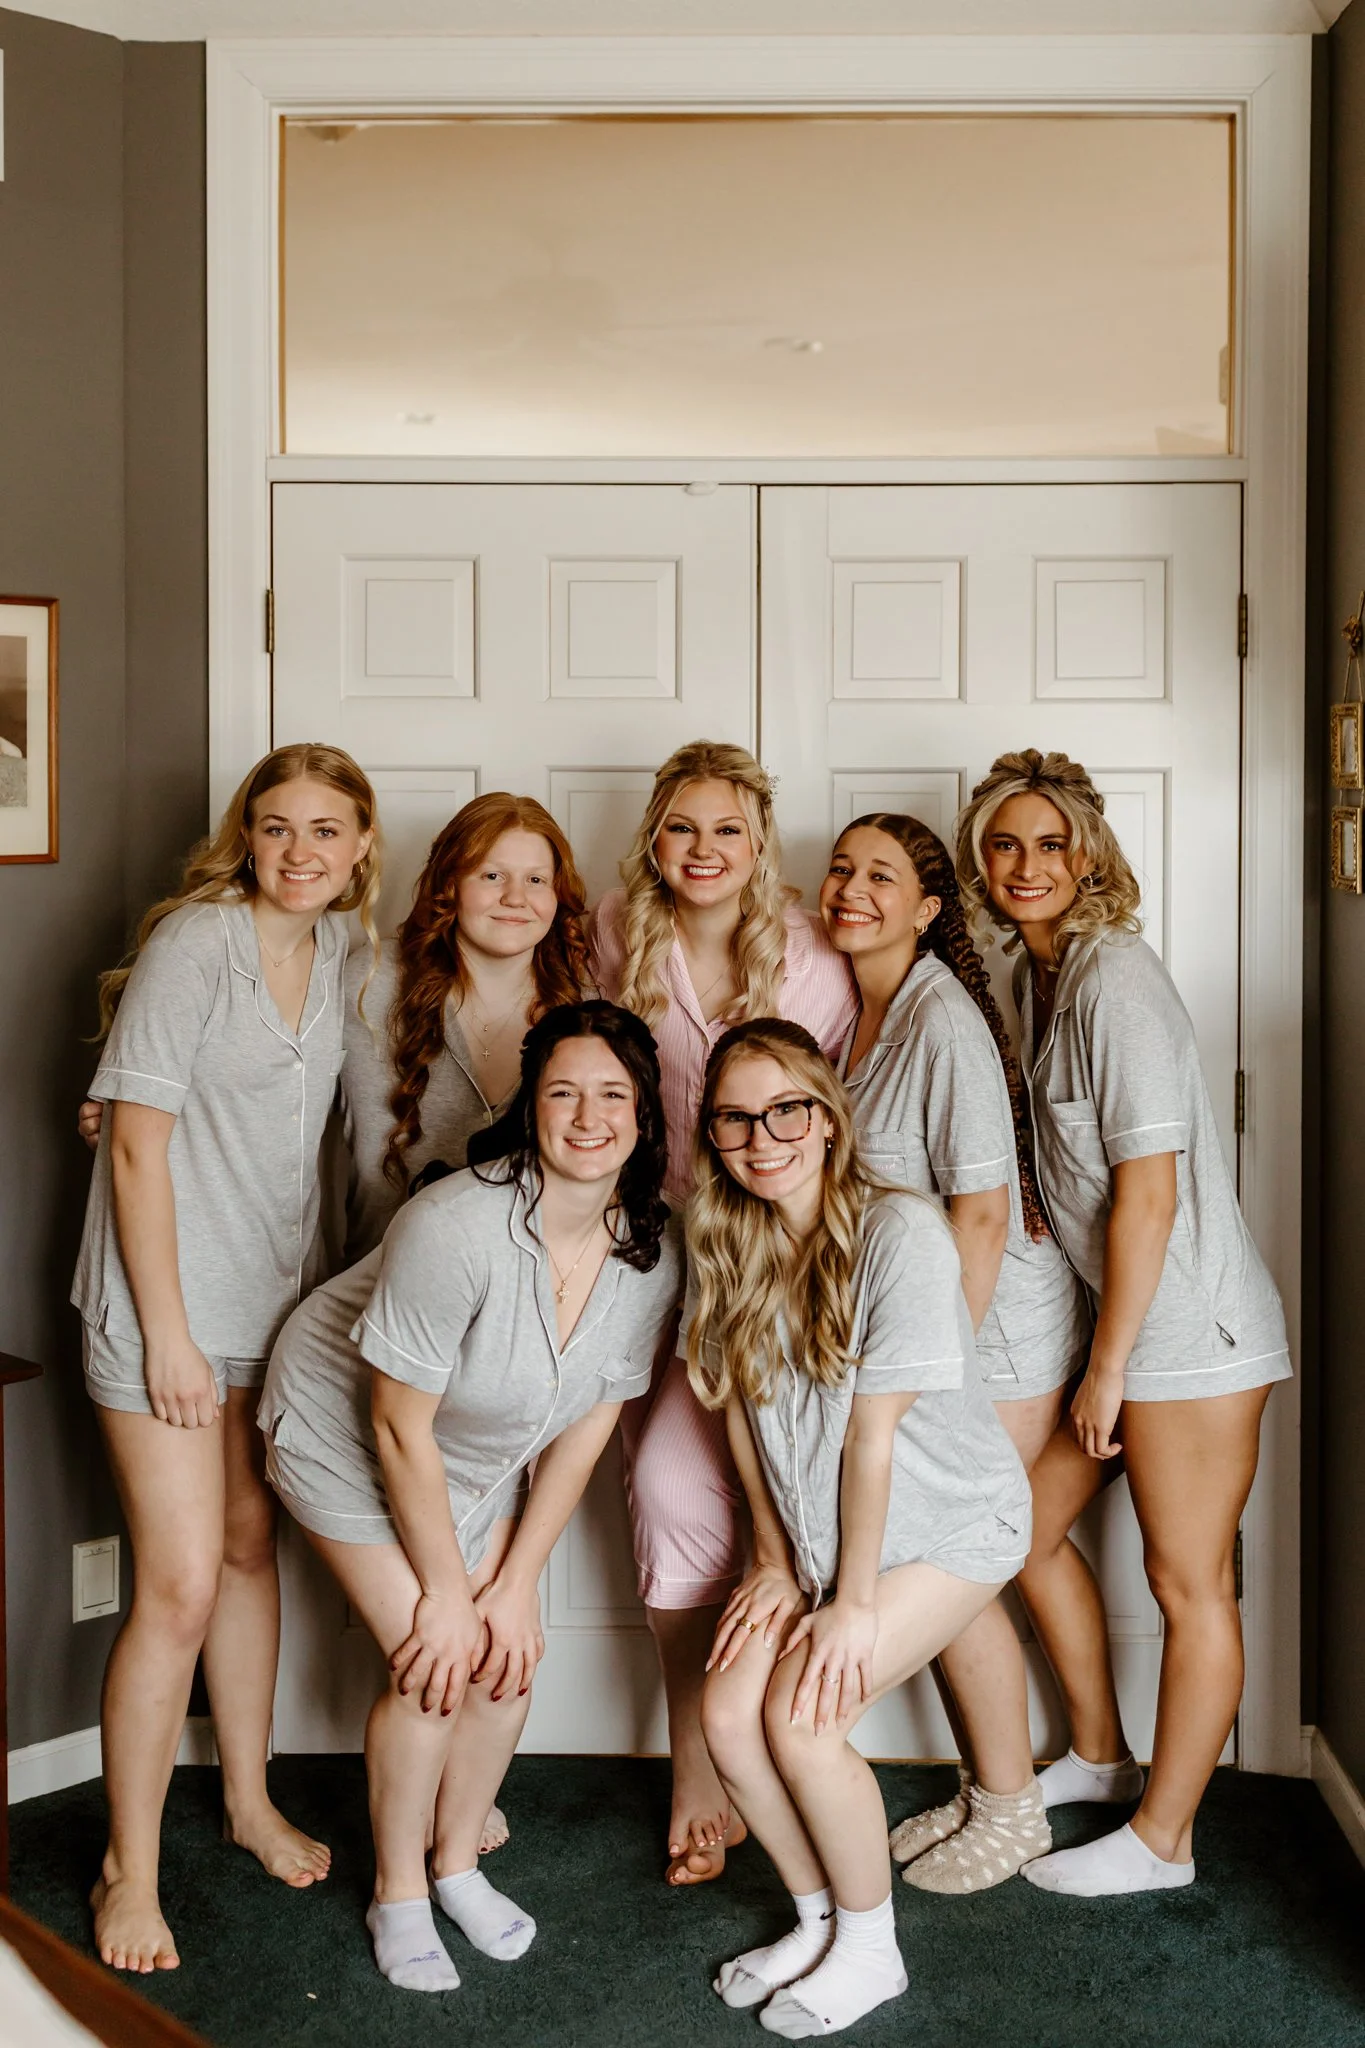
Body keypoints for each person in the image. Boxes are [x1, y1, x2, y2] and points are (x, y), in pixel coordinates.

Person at [257, 1002, 684, 1993]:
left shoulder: (649, 1249)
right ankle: (397, 1890)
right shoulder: (454, 1225)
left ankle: (454, 1863)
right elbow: (397, 1427)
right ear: (529, 1106)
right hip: (345, 1428)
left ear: (643, 1113)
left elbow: (588, 1425)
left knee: (507, 1660)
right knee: (433, 1663)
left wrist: (516, 1580)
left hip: (474, 1455)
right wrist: (450, 1593)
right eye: (562, 1092)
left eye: (612, 1094)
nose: (588, 1116)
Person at [955, 749, 1291, 1897]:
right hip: (1124, 1325)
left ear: (1090, 853)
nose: (1027, 864)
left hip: (1189, 1335)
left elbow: (1151, 1189)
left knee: (1188, 1581)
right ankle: (1098, 1754)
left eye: (1052, 843)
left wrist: (1105, 1369)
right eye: (1005, 844)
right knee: (1019, 1531)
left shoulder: (1116, 979)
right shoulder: (1033, 974)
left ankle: (1165, 1840)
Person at [70, 744, 381, 1974]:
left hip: (273, 1300)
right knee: (182, 1582)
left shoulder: (347, 952)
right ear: (243, 839)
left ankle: (247, 1798)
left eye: (325, 829)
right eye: (274, 827)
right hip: (163, 1306)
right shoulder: (200, 941)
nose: (299, 851)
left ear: (362, 846)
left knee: (255, 1550)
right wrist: (167, 1336)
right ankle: (123, 1869)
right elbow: (136, 1146)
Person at [688, 1019, 1031, 2038]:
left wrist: (852, 1602)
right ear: (712, 1133)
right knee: (723, 1715)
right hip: (826, 1545)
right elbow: (740, 1410)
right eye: (736, 1118)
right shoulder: (730, 1237)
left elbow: (870, 1434)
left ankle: (874, 1949)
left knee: (802, 1718)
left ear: (828, 1116)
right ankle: (816, 1917)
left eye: (787, 1108)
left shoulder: (899, 1234)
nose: (764, 1136)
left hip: (948, 1529)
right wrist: (774, 1557)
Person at [590, 740, 857, 1885]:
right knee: (651, 1486)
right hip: (642, 1252)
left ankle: (772, 1740)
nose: (703, 850)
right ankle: (696, 1753)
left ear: (760, 845)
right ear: (655, 836)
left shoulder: (807, 954)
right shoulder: (609, 928)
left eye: (727, 830)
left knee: (747, 1496)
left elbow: (834, 1111)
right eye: (682, 827)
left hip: (757, 1258)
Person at [819, 813, 1090, 1892]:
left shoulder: (941, 1018)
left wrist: (945, 1368)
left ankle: (1015, 1808)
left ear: (929, 909)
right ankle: (989, 1787)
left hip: (994, 1333)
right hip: (924, 1326)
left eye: (881, 875)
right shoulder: (863, 1014)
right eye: (841, 866)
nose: (850, 887)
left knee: (953, 1565)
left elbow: (982, 1211)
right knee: (932, 1555)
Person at [339, 791, 589, 1267]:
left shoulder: (585, 1004)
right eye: (491, 876)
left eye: (536, 879)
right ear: (449, 883)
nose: (515, 898)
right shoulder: (374, 981)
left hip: (531, 1293)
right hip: (380, 1276)